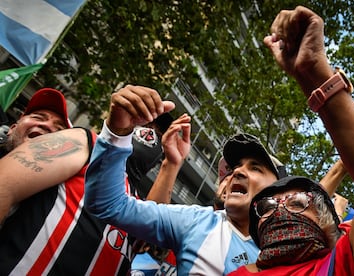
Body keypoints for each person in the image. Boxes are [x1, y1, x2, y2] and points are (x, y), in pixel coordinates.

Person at [227, 5, 354, 275]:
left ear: (326, 222)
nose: (280, 211)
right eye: (266, 207)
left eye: (298, 203)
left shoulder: (343, 261)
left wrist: (315, 71)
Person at [84, 84, 288, 274]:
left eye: (256, 168)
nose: (237, 172)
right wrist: (117, 132)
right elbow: (108, 204)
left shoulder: (294, 250)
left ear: (279, 192)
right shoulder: (198, 221)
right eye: (236, 167)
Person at [0, 86, 190, 275]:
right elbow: (4, 183)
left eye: (157, 132)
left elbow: (150, 235)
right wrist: (116, 132)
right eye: (145, 124)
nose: (150, 134)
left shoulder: (135, 201)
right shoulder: (85, 143)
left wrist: (172, 164)